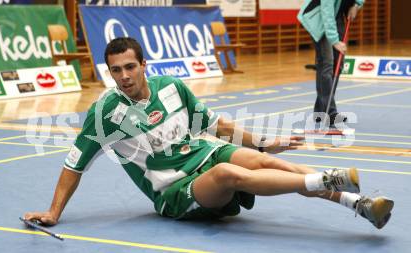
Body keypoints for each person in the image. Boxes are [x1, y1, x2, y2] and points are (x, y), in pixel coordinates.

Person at [24, 37, 393, 229]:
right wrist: (54, 212)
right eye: (116, 70)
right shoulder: (105, 113)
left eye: (130, 67)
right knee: (229, 173)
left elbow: (219, 128)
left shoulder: (171, 87)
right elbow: (74, 166)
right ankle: (324, 179)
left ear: (143, 65)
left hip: (202, 153)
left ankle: (357, 204)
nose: (123, 76)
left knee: (262, 160)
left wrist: (270, 141)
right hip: (174, 191)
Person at [298, 0, 364, 126]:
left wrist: (356, 5)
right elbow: (327, 12)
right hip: (320, 18)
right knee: (327, 64)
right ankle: (330, 113)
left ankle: (319, 112)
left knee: (338, 66)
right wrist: (334, 41)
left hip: (337, 16)